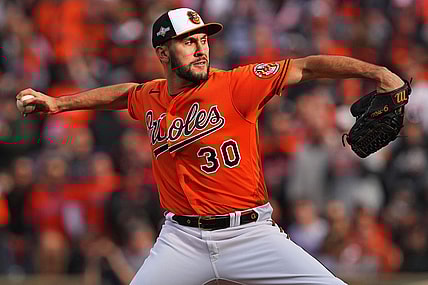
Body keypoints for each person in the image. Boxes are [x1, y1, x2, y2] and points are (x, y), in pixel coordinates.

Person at [16, 8, 405, 285]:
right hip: (180, 240)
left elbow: (306, 67)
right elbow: (124, 94)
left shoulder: (235, 83)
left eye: (203, 39)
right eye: (189, 42)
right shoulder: (150, 95)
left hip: (251, 234)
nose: (202, 48)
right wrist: (59, 103)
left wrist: (377, 72)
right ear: (163, 53)